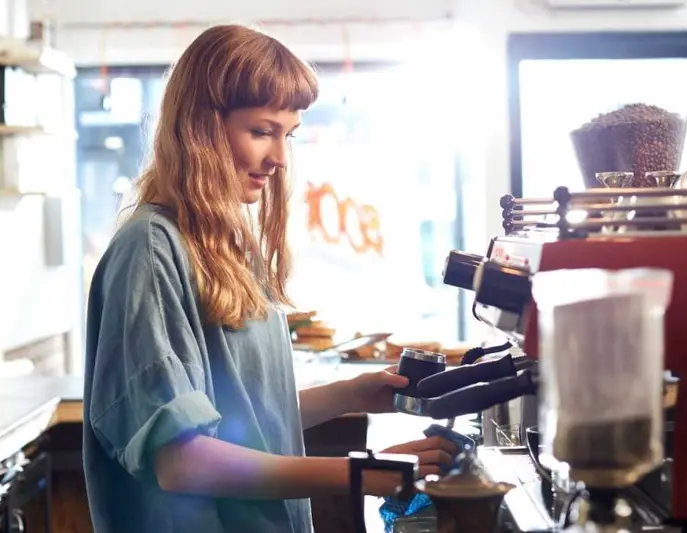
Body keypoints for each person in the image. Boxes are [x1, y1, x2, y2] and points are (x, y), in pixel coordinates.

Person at [82, 24, 456, 533]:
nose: (279, 159)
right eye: (262, 131)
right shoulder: (150, 251)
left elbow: (245, 425)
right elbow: (181, 461)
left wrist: (350, 393)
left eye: (288, 135)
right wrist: (359, 473)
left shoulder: (223, 244)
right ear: (201, 127)